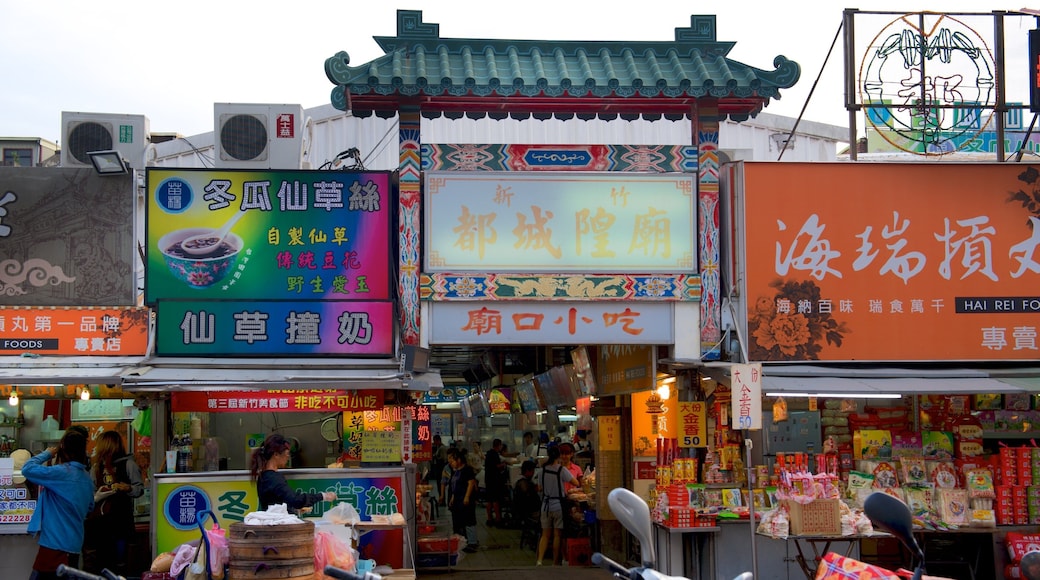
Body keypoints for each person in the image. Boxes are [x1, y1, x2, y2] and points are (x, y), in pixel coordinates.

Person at [22, 429, 95, 580]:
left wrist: (47, 453)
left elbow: (27, 469)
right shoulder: (86, 478)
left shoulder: (61, 472)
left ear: (63, 449)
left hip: (54, 547)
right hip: (74, 546)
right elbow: (90, 507)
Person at [83, 430, 144, 576]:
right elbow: (90, 493)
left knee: (121, 562)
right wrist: (97, 495)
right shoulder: (96, 467)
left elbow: (139, 489)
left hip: (121, 521)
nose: (97, 448)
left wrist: (128, 487)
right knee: (102, 563)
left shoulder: (128, 464)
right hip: (99, 523)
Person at [250, 433, 335, 512]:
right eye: (287, 454)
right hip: (278, 525)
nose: (288, 457)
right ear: (276, 455)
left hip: (272, 523)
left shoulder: (264, 476)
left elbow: (275, 503)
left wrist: (292, 510)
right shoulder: (273, 478)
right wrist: (323, 496)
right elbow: (296, 500)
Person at [535, 445, 576, 566]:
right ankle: (555, 562)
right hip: (557, 505)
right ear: (558, 456)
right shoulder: (561, 470)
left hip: (545, 506)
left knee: (545, 534)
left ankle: (540, 560)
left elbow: (540, 488)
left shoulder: (542, 470)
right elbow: (575, 482)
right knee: (557, 535)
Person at [446, 447, 479, 553]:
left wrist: (467, 496)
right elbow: (454, 486)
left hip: (465, 500)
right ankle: (463, 541)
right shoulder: (456, 471)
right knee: (460, 521)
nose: (451, 463)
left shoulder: (467, 470)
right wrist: (452, 497)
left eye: (453, 461)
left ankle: (472, 542)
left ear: (459, 460)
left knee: (469, 520)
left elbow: (471, 483)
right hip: (457, 500)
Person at [483, 438, 508, 527]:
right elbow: (497, 466)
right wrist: (504, 464)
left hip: (488, 479)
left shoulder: (489, 453)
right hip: (494, 480)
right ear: (499, 445)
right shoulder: (495, 454)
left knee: (489, 500)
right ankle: (498, 519)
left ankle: (489, 519)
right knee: (495, 500)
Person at [512, 460, 540, 527]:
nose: (533, 473)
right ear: (527, 471)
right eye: (532, 471)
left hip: (524, 510)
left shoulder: (520, 479)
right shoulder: (523, 482)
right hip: (527, 512)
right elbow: (528, 495)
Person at [426, 434, 448, 504]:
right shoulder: (439, 447)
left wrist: (435, 457)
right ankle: (441, 499)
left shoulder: (442, 448)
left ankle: (442, 500)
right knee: (439, 485)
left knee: (441, 485)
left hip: (441, 469)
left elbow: (444, 459)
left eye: (434, 440)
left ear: (438, 440)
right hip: (439, 469)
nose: (434, 442)